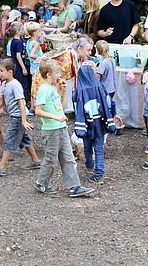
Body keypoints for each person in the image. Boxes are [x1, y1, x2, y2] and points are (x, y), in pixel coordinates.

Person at [33, 60, 94, 198]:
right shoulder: (43, 90)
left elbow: (63, 106)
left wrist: (65, 91)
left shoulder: (54, 88)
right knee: (50, 158)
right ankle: (41, 183)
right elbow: (38, 111)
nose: (59, 74)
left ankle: (74, 187)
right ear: (48, 75)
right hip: (51, 130)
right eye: (57, 72)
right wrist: (55, 117)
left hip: (61, 128)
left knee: (69, 158)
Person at [0, 58, 41, 176]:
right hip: (16, 116)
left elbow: (22, 103)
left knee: (9, 140)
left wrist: (23, 120)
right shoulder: (4, 85)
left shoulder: (15, 85)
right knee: (24, 139)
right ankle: (36, 161)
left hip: (18, 117)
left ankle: (2, 167)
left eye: (1, 71)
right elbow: (1, 101)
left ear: (10, 72)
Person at [72, 42, 116, 184]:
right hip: (100, 123)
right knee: (99, 148)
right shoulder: (100, 88)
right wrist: (113, 114)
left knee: (87, 146)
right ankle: (99, 174)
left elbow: (76, 105)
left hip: (86, 123)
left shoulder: (80, 91)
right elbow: (111, 103)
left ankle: (89, 165)